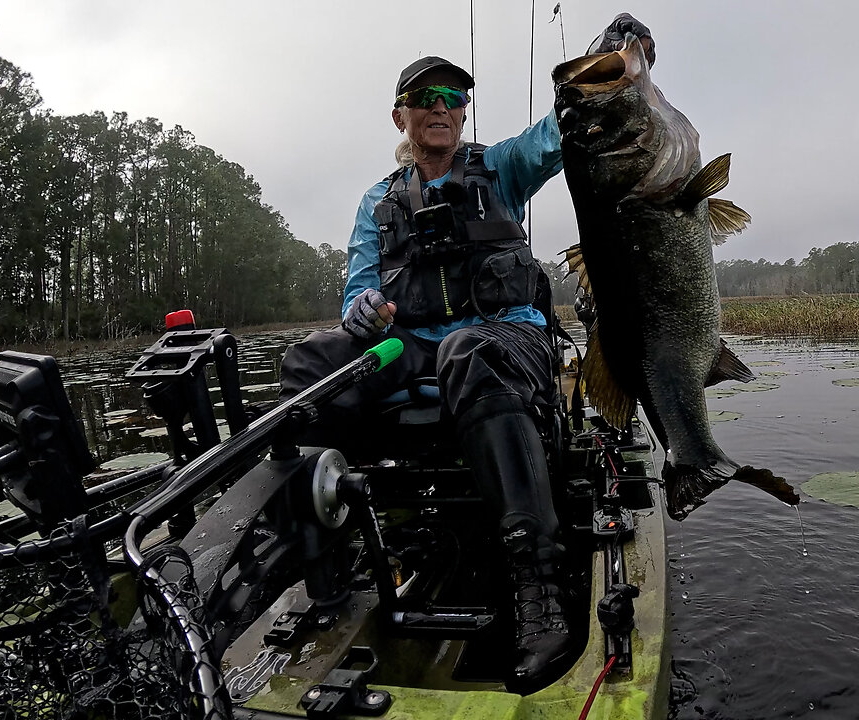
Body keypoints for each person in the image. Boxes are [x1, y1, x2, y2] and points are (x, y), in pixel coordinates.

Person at [279, 13, 654, 694]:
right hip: (413, 348)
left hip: (503, 339)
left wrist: (610, 62)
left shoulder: (500, 167)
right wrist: (363, 311)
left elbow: (557, 132)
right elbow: (358, 290)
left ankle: (536, 586)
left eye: (453, 99)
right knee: (308, 367)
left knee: (468, 350)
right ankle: (324, 558)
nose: (442, 110)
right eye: (427, 99)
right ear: (402, 116)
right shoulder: (378, 202)